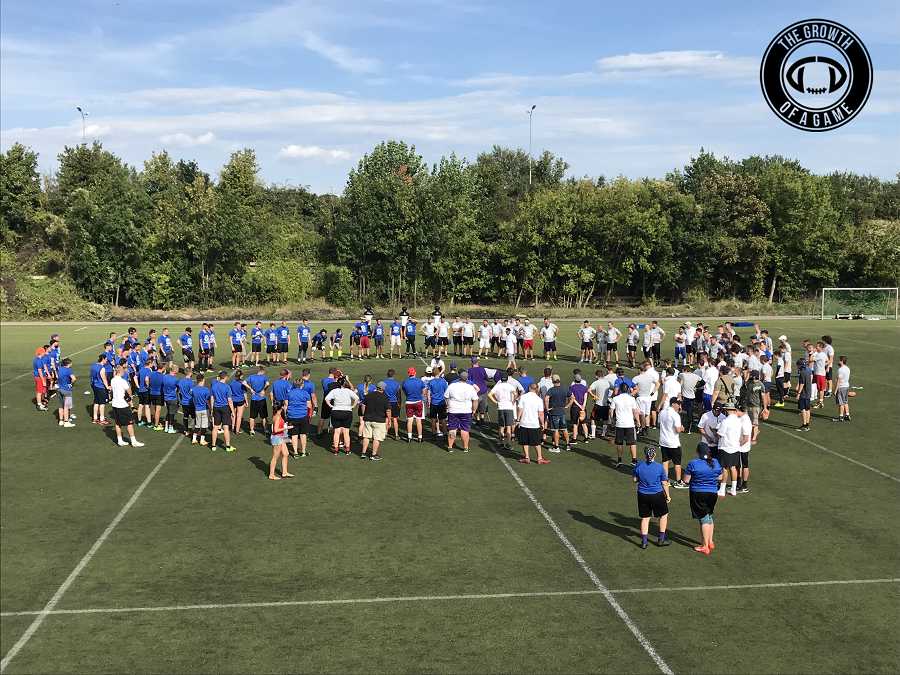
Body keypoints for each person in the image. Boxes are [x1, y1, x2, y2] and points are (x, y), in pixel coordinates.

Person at [684, 442, 723, 554]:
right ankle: (710, 541)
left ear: (698, 452)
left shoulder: (693, 463)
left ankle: (705, 546)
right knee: (709, 515)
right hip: (712, 493)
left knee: (703, 519)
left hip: (698, 493)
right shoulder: (715, 462)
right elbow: (720, 477)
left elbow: (686, 480)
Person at [633, 445, 671, 548]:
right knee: (663, 515)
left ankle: (644, 542)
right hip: (657, 495)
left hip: (642, 495)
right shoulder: (659, 467)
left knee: (645, 518)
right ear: (654, 454)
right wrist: (668, 495)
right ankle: (661, 539)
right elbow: (664, 483)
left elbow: (635, 480)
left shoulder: (638, 465)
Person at [715, 403, 746, 497]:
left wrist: (713, 431)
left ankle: (722, 490)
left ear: (727, 410)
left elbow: (719, 435)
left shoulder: (725, 422)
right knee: (733, 468)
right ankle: (733, 489)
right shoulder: (738, 421)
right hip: (735, 447)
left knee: (724, 468)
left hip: (725, 447)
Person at [110, 365, 145, 447]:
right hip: (122, 405)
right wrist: (130, 396)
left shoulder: (112, 380)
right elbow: (129, 391)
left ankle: (119, 440)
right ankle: (133, 441)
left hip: (115, 404)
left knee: (118, 422)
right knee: (129, 423)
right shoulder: (123, 381)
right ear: (121, 372)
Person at [446, 371, 478, 453]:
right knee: (465, 429)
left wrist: (448, 405)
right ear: (467, 379)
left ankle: (450, 447)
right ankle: (465, 447)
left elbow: (446, 396)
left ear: (459, 377)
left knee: (452, 428)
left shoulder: (452, 386)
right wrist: (474, 410)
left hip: (453, 410)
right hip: (466, 410)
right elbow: (475, 400)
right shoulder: (470, 387)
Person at [325, 375, 359, 455]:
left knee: (337, 432)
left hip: (336, 411)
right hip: (347, 412)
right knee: (346, 432)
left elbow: (326, 399)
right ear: (344, 383)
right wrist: (353, 406)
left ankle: (336, 450)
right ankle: (347, 450)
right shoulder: (348, 391)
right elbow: (356, 398)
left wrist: (331, 406)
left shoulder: (334, 391)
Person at [516, 382, 548, 464]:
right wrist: (542, 423)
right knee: (537, 442)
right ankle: (539, 458)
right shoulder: (539, 399)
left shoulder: (523, 397)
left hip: (524, 423)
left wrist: (518, 420)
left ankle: (527, 457)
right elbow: (541, 413)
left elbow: (520, 409)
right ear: (536, 389)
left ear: (529, 388)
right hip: (534, 424)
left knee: (525, 441)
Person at [658, 398, 686, 488]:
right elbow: (678, 430)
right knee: (677, 462)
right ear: (673, 404)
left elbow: (659, 425)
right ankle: (678, 481)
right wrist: (682, 428)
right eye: (678, 404)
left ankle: (665, 480)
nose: (679, 406)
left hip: (663, 441)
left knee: (665, 461)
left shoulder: (662, 412)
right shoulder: (675, 415)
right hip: (673, 442)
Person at [360, 381, 390, 460]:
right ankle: (373, 454)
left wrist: (363, 414)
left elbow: (363, 405)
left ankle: (363, 453)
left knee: (366, 436)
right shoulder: (385, 398)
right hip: (379, 420)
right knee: (377, 438)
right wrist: (389, 419)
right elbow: (388, 410)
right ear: (383, 389)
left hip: (368, 418)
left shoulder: (369, 395)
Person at [611, 382, 639, 467]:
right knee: (632, 443)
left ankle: (619, 460)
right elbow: (635, 411)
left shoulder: (615, 399)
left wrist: (612, 419)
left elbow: (611, 410)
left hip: (620, 424)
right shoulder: (631, 399)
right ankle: (634, 460)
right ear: (628, 389)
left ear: (620, 389)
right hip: (630, 424)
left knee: (619, 443)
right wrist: (638, 421)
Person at [286, 376, 313, 458]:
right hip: (303, 415)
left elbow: (286, 404)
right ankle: (303, 452)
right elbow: (309, 405)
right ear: (302, 384)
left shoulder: (289, 393)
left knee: (294, 435)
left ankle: (295, 453)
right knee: (303, 434)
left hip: (292, 415)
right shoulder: (305, 393)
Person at [210, 371, 236, 452]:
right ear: (225, 377)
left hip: (216, 407)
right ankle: (228, 446)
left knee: (215, 427)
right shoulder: (227, 387)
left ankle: (213, 445)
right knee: (226, 427)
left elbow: (212, 398)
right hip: (225, 408)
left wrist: (212, 409)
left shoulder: (214, 386)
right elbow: (229, 400)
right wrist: (233, 411)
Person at [544, 374, 570, 453]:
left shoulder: (551, 390)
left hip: (554, 412)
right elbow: (572, 397)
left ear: (553, 381)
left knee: (555, 430)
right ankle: (568, 445)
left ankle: (556, 447)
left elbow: (546, 399)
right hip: (562, 411)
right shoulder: (564, 388)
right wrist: (568, 405)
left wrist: (547, 408)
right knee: (564, 429)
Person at [268, 401, 293, 480]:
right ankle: (271, 474)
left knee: (286, 453)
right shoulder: (277, 416)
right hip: (276, 437)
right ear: (282, 407)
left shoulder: (277, 414)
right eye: (284, 405)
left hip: (280, 437)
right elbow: (276, 430)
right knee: (275, 456)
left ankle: (284, 472)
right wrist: (286, 428)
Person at [402, 367, 426, 443]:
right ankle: (420, 437)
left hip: (409, 402)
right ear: (415, 373)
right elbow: (423, 391)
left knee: (410, 420)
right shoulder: (420, 381)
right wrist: (420, 396)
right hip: (418, 402)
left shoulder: (405, 382)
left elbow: (405, 392)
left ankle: (409, 437)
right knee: (418, 420)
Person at [426, 368, 449, 439]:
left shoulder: (431, 382)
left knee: (433, 419)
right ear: (439, 373)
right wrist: (448, 402)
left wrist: (429, 402)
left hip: (434, 402)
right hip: (441, 402)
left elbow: (428, 393)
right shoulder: (443, 381)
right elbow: (447, 392)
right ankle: (445, 434)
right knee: (443, 419)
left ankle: (433, 434)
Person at [568, 373, 589, 444]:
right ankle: (586, 438)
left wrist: (579, 405)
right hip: (583, 408)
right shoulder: (584, 388)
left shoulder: (572, 388)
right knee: (584, 423)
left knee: (575, 424)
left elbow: (572, 398)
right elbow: (585, 398)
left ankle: (574, 439)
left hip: (575, 407)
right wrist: (583, 406)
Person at [90, 353, 111, 424]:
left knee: (96, 401)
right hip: (101, 386)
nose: (106, 361)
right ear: (103, 359)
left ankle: (95, 417)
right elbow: (104, 379)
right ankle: (102, 419)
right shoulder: (102, 368)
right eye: (106, 359)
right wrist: (108, 387)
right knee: (102, 403)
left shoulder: (93, 365)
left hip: (94, 385)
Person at [56, 358, 76, 427]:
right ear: (69, 364)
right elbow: (74, 378)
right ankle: (66, 421)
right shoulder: (68, 370)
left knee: (61, 406)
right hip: (66, 389)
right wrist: (71, 384)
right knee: (67, 406)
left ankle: (61, 420)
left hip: (60, 388)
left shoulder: (60, 369)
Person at [191, 374, 211, 445]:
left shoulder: (194, 389)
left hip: (197, 409)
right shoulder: (206, 390)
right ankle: (202, 440)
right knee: (204, 426)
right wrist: (211, 409)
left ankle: (194, 439)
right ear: (203, 380)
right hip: (204, 409)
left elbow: (193, 399)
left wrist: (195, 406)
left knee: (197, 425)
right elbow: (208, 401)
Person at [162, 363, 181, 434]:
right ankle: (170, 427)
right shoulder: (175, 380)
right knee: (171, 413)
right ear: (175, 371)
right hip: (173, 397)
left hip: (166, 397)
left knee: (168, 412)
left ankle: (166, 426)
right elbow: (179, 389)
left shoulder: (165, 377)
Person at [795, 358, 812, 431]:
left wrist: (798, 393)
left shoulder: (802, 373)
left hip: (803, 393)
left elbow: (802, 384)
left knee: (803, 409)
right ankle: (807, 424)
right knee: (808, 409)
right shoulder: (808, 372)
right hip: (808, 393)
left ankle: (804, 424)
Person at [833, 356, 852, 422]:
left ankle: (841, 416)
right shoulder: (847, 368)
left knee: (841, 402)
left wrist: (835, 390)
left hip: (841, 387)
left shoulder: (840, 370)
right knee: (845, 401)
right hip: (846, 386)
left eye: (839, 360)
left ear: (841, 361)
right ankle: (847, 415)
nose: (838, 361)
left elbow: (839, 380)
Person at [148, 362, 165, 431]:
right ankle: (156, 425)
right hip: (159, 394)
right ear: (163, 368)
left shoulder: (152, 373)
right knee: (158, 410)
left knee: (155, 409)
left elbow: (147, 379)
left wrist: (149, 386)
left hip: (152, 393)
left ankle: (156, 422)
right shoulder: (163, 376)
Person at [178, 367, 195, 438]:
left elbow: (179, 391)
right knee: (194, 416)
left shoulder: (180, 382)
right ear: (190, 373)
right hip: (190, 402)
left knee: (185, 416)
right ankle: (197, 430)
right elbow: (192, 392)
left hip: (183, 402)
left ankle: (186, 430)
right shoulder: (190, 382)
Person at [811, 342, 828, 409]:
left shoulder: (819, 355)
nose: (816, 347)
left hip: (819, 373)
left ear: (820, 347)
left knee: (821, 388)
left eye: (817, 346)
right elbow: (828, 361)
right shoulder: (824, 354)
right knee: (820, 388)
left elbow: (810, 360)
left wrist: (813, 353)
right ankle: (820, 401)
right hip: (820, 373)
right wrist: (823, 365)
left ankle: (821, 403)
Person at [230, 369, 248, 434]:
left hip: (233, 400)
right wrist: (246, 401)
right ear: (240, 376)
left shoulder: (232, 382)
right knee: (239, 416)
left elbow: (230, 391)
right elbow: (244, 393)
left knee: (233, 414)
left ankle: (232, 427)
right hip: (240, 400)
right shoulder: (242, 383)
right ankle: (237, 430)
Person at [33, 347, 50, 411]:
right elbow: (40, 371)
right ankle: (39, 405)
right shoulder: (39, 361)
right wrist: (43, 381)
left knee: (41, 390)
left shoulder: (38, 359)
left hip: (40, 377)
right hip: (39, 377)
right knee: (39, 391)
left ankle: (40, 403)